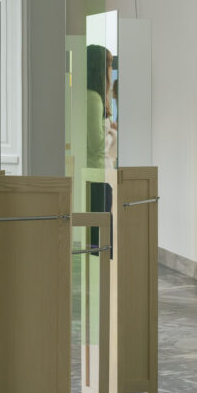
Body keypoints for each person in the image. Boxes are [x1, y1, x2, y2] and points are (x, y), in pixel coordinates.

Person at [86, 44, 114, 247]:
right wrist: (113, 133)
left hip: (96, 176)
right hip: (98, 175)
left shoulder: (89, 96)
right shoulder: (94, 98)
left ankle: (99, 277)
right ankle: (102, 278)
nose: (111, 72)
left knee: (97, 236)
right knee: (101, 238)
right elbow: (96, 145)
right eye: (110, 66)